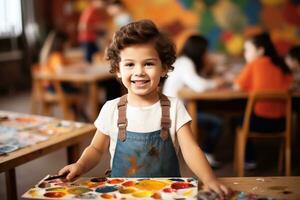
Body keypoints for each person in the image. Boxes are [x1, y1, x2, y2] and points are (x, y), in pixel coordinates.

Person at [59, 19, 229, 196]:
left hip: (166, 194)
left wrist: (209, 179)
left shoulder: (174, 107)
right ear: (118, 69)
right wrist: (79, 165)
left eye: (148, 63)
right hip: (123, 193)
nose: (139, 71)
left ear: (164, 68)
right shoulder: (111, 109)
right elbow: (95, 149)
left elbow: (191, 149)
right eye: (130, 64)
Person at [163, 35, 224, 168]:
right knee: (217, 122)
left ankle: (204, 150)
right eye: (206, 51)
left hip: (177, 107)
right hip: (174, 112)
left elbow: (196, 81)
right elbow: (199, 86)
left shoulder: (183, 61)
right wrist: (216, 82)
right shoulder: (185, 62)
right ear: (199, 50)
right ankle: (207, 154)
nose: (207, 54)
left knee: (210, 113)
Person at [234, 32, 293, 169]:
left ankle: (249, 159)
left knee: (238, 121)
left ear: (260, 50)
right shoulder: (282, 65)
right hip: (282, 123)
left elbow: (237, 86)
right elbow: (290, 85)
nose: (245, 54)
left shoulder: (254, 65)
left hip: (258, 122)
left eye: (248, 50)